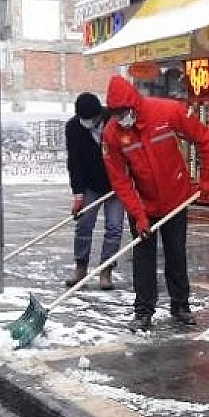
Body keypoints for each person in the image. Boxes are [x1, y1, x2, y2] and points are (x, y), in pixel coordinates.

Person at [101, 75, 209, 332]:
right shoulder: (111, 134)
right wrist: (138, 215)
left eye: (123, 112)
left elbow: (204, 138)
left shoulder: (166, 111)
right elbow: (120, 181)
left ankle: (180, 305)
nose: (120, 118)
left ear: (133, 105)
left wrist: (208, 179)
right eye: (115, 113)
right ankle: (143, 310)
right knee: (144, 257)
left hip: (176, 197)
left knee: (176, 252)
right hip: (142, 202)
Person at [63, 92, 125, 291]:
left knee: (114, 228)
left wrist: (124, 180)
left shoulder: (115, 121)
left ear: (99, 115)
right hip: (90, 184)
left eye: (91, 119)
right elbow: (74, 163)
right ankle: (81, 267)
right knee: (83, 225)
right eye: (83, 119)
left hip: (117, 183)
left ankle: (106, 269)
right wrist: (78, 193)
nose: (87, 123)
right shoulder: (73, 128)